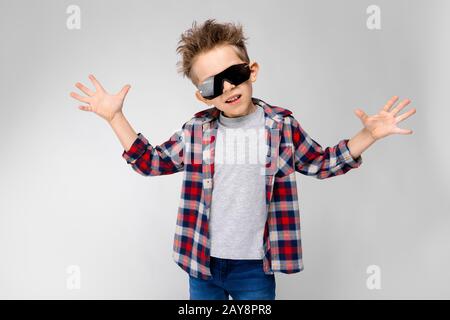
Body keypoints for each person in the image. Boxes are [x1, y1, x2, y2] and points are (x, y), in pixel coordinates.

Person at [69, 19, 416, 300]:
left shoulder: (281, 126)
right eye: (212, 86)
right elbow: (151, 162)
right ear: (201, 95)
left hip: (254, 269)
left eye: (234, 75)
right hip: (202, 265)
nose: (227, 89)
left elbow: (321, 163)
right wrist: (115, 118)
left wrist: (368, 135)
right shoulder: (195, 131)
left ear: (252, 71)